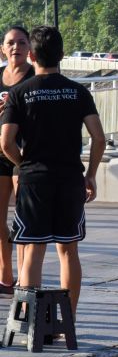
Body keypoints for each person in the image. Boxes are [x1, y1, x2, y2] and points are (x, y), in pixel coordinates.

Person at [0, 25, 105, 316]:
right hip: (70, 179)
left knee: (33, 250)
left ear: (31, 55)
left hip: (34, 180)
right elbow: (99, 138)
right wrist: (91, 174)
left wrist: (24, 165)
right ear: (61, 54)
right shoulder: (78, 91)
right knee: (68, 251)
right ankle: (67, 321)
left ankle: (31, 321)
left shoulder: (19, 93)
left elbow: (6, 142)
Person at [0, 26, 34, 295]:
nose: (16, 47)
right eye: (10, 43)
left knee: (21, 220)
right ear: (3, 48)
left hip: (24, 153)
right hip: (1, 151)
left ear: (30, 48)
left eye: (21, 42)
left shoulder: (36, 77)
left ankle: (25, 279)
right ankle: (5, 276)